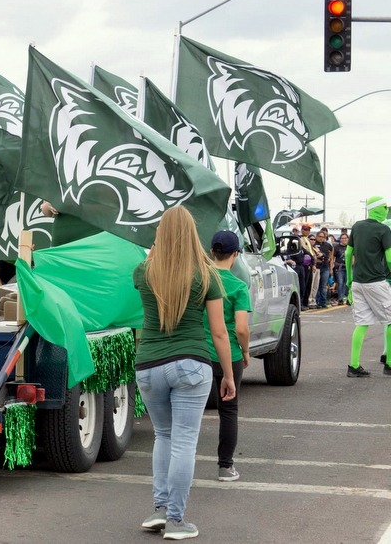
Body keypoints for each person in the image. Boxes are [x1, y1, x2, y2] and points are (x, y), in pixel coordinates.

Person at [134, 206, 235, 540]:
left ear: (160, 233)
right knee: (184, 442)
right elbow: (219, 333)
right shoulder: (207, 275)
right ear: (194, 234)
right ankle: (176, 520)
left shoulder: (144, 271)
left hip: (148, 365)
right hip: (191, 363)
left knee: (163, 436)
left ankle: (160, 510)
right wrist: (229, 377)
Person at [203, 231, 251, 483]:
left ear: (212, 252)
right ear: (235, 254)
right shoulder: (238, 287)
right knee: (228, 411)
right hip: (228, 354)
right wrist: (245, 350)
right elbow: (241, 328)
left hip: (198, 351)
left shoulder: (200, 282)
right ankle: (225, 466)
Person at [345, 196, 391, 377]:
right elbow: (389, 258)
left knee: (362, 324)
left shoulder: (356, 226)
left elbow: (348, 254)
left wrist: (349, 280)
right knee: (390, 321)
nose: (387, 210)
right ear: (379, 209)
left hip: (357, 282)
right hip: (377, 282)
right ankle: (389, 364)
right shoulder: (384, 229)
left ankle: (354, 365)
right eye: (385, 207)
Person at [314, 229, 333, 309]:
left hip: (325, 267)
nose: (321, 238)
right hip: (317, 267)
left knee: (323, 286)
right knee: (316, 286)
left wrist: (331, 268)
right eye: (319, 236)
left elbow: (331, 256)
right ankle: (317, 302)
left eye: (323, 237)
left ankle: (323, 302)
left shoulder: (328, 245)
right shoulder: (314, 244)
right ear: (317, 237)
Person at [333, 233, 349, 305]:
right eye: (342, 238)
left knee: (347, 283)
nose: (344, 239)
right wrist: (332, 266)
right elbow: (332, 257)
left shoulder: (350, 247)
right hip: (339, 267)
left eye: (345, 238)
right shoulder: (336, 247)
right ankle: (340, 299)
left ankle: (348, 297)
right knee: (340, 283)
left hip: (348, 267)